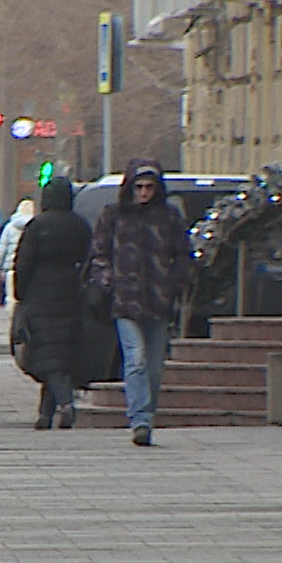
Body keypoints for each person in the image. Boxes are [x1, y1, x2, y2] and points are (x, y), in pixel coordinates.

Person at [87, 159, 192, 446]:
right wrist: (106, 279)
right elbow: (99, 253)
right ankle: (140, 419)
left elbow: (184, 253)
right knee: (136, 359)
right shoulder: (114, 215)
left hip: (159, 300)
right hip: (125, 300)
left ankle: (148, 413)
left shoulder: (168, 217)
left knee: (155, 366)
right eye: (139, 187)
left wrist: (176, 281)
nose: (144, 193)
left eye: (149, 187)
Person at [12, 178, 93, 429]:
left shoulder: (37, 226)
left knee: (48, 353)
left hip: (40, 295)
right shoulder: (80, 225)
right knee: (57, 353)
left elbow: (23, 262)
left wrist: (20, 294)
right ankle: (45, 414)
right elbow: (89, 257)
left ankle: (65, 403)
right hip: (71, 294)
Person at [0, 198, 37, 304]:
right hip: (29, 269)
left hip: (10, 268)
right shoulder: (35, 226)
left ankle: (12, 316)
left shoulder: (9, 227)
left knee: (11, 297)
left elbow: (2, 249)